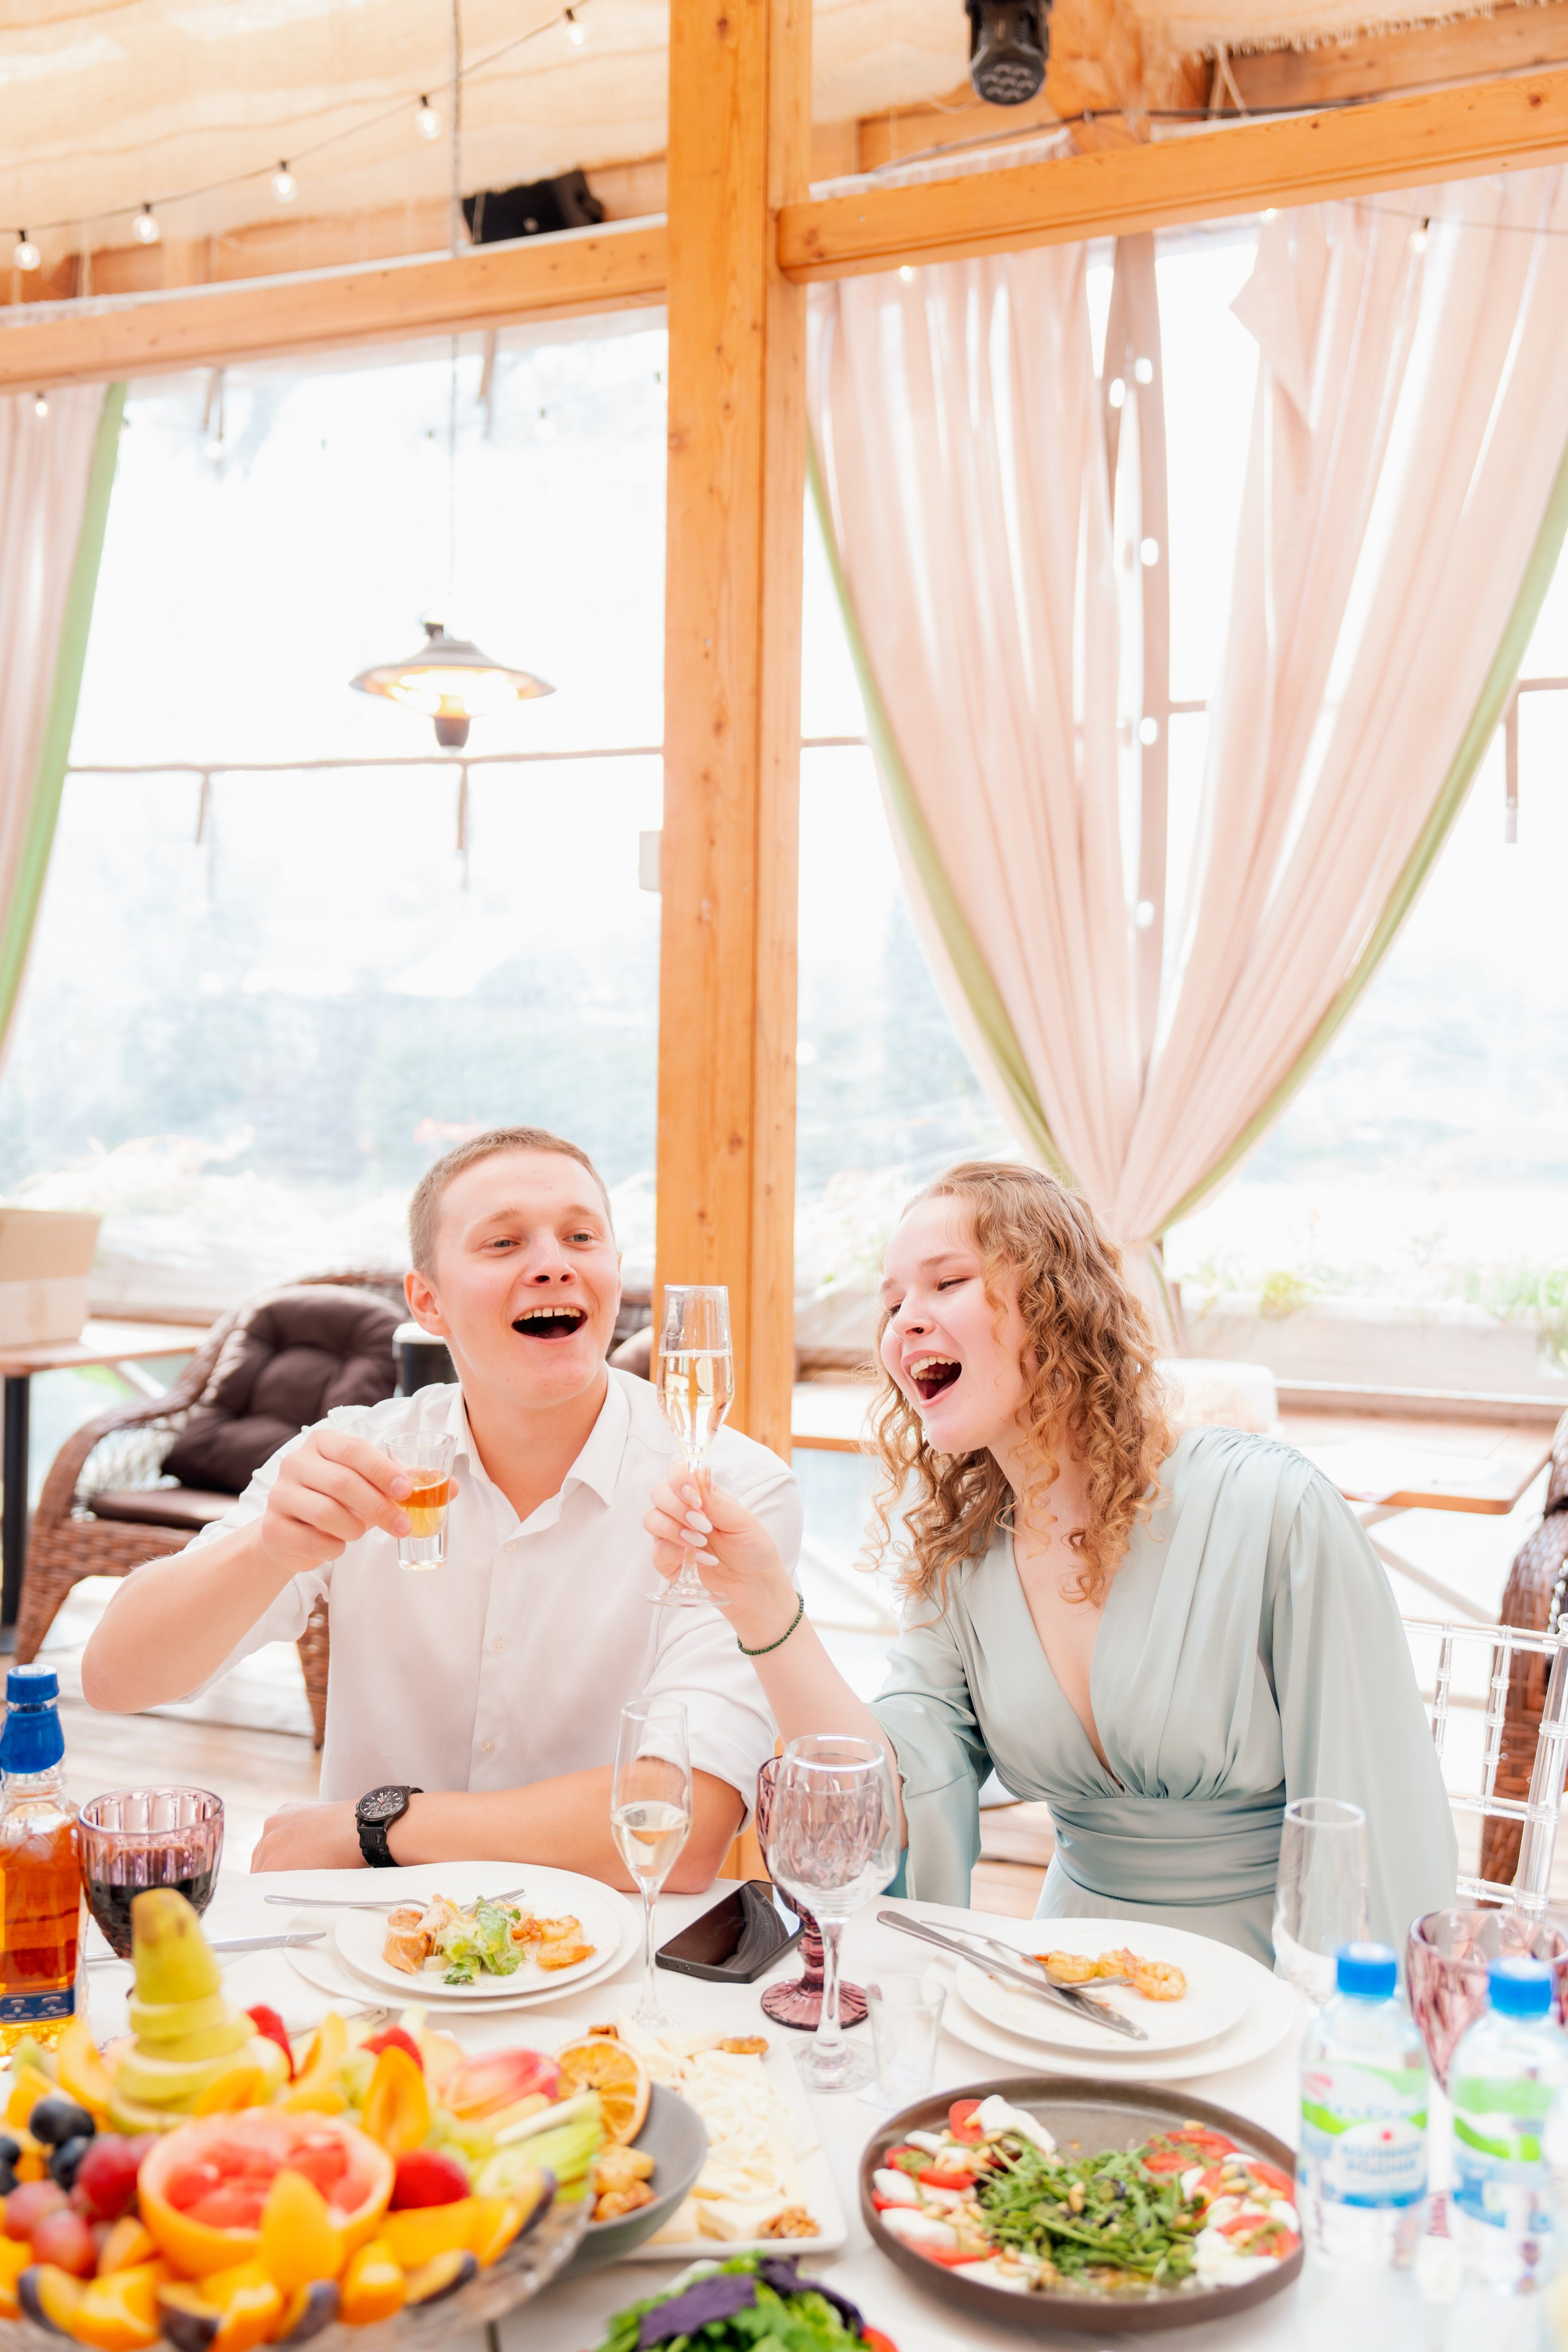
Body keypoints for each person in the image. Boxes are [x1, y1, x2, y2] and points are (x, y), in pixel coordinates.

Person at [646, 1161, 1457, 1962]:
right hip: (1065, 1978)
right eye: (892, 1304)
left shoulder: (1271, 1508)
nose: (904, 1323)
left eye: (946, 1283)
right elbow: (877, 1801)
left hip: (1265, 1982)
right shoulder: (964, 1564)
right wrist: (761, 1604)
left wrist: (1350, 2034)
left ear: (1054, 1299)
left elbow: (1376, 1834)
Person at [82, 1125, 801, 1888]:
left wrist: (373, 1826)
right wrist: (266, 1548)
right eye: (503, 1243)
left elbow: (682, 1827)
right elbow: (117, 1680)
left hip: (611, 1941)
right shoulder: (354, 1457)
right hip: (369, 1941)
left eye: (580, 1237)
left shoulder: (731, 1491)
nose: (553, 1264)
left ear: (614, 1276)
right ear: (428, 1302)